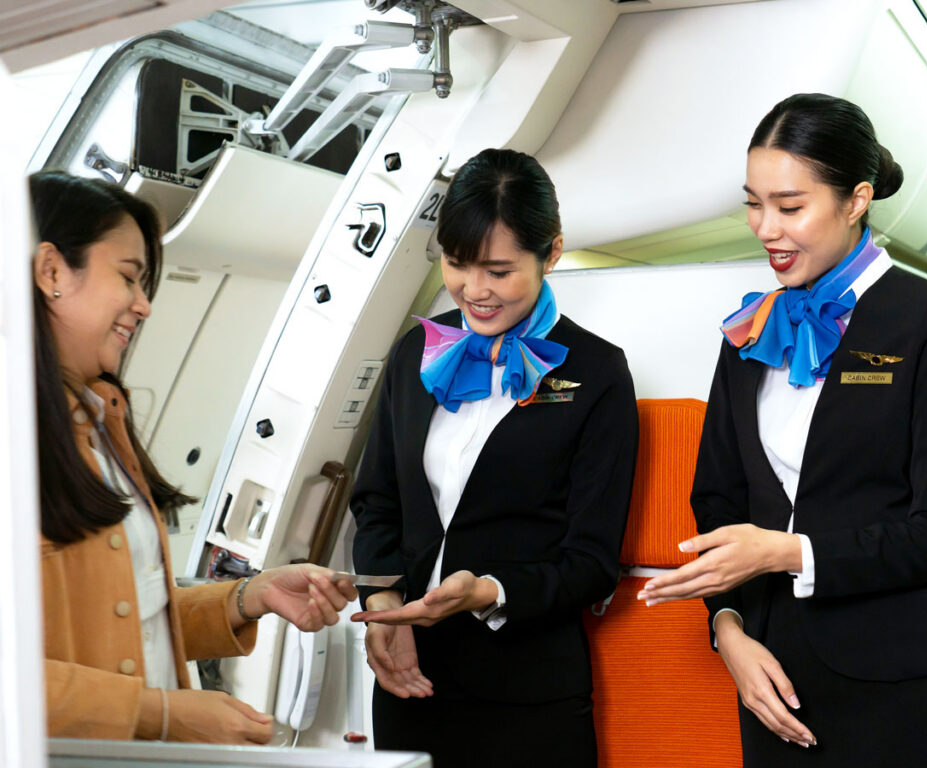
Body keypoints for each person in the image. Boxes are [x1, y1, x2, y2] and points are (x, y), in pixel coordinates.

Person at [638, 93, 927, 766]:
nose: (765, 228)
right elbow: (718, 500)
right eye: (753, 203)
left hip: (895, 683)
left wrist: (785, 553)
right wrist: (729, 631)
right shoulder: (751, 329)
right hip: (771, 678)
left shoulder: (926, 319)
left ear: (856, 201)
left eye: (790, 207)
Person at [31, 170, 358, 743]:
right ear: (52, 271)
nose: (144, 305)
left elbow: (119, 617)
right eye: (129, 279)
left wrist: (246, 597)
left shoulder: (100, 424)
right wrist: (161, 713)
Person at [348, 148, 639, 768]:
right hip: (410, 680)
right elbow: (378, 502)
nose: (473, 290)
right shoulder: (416, 354)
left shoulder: (596, 373)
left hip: (529, 693)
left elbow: (591, 560)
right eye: (456, 264)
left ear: (551, 253)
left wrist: (489, 590)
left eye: (499, 271)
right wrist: (382, 610)